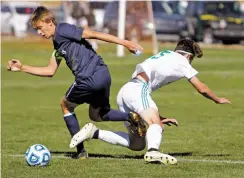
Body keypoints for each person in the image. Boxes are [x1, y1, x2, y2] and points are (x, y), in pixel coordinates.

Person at [6, 6, 144, 159]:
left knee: (65, 105)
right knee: (98, 114)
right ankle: (131, 117)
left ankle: (81, 152)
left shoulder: (63, 29)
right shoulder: (58, 44)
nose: (39, 32)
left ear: (49, 22)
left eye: (40, 27)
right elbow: (50, 71)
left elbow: (93, 34)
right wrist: (22, 67)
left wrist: (126, 43)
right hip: (103, 75)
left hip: (88, 78)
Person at [69, 38, 231, 164]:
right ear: (188, 56)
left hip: (127, 91)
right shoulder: (182, 61)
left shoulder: (167, 54)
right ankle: (154, 151)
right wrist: (217, 99)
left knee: (137, 144)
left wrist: (159, 117)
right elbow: (201, 87)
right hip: (139, 89)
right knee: (155, 125)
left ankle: (94, 132)